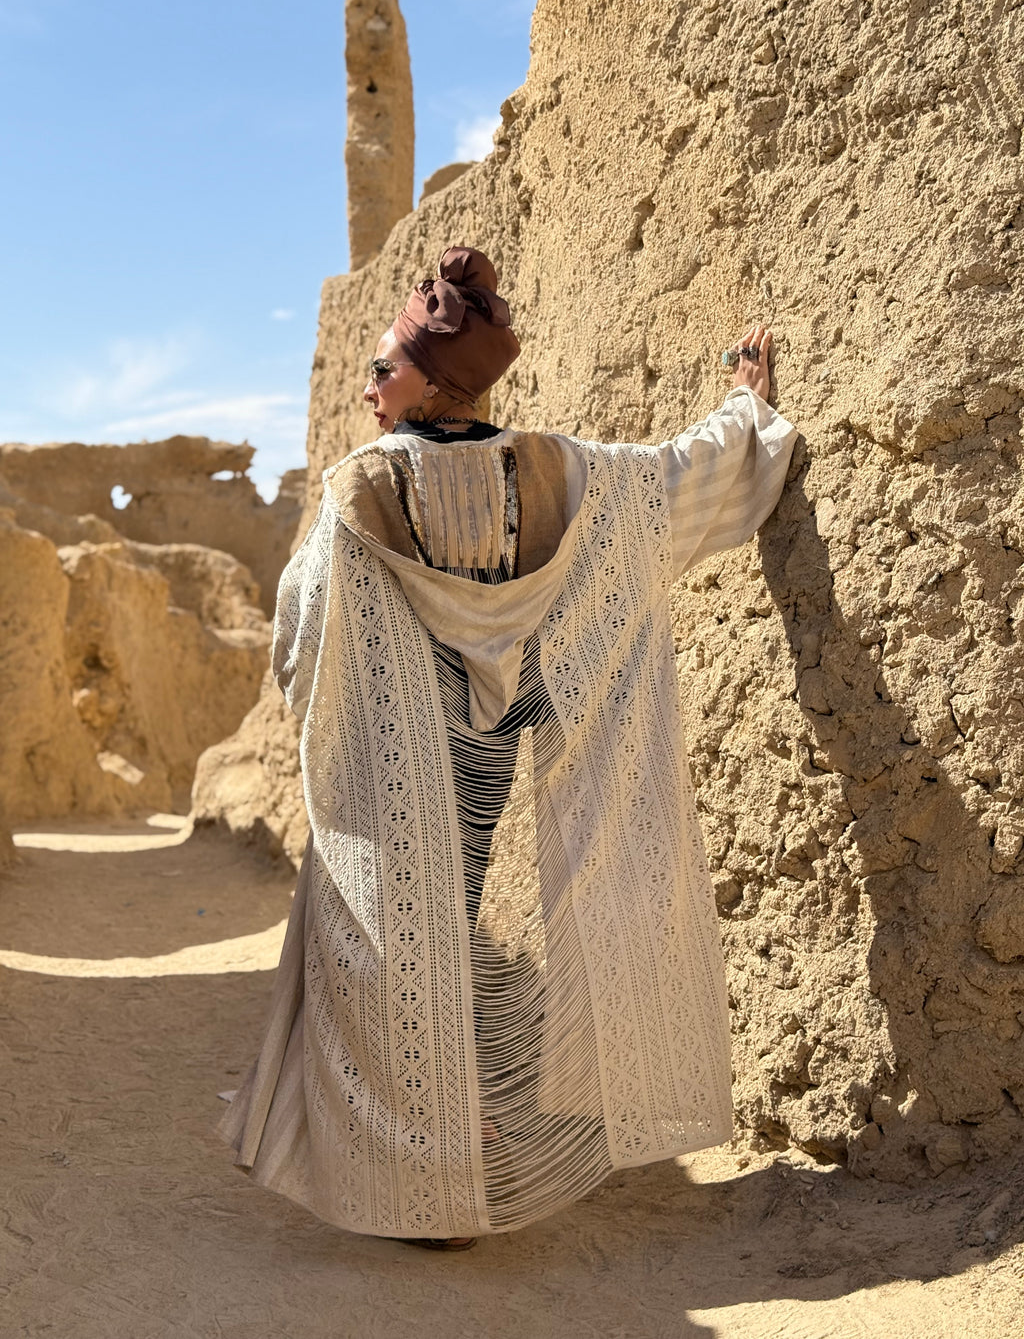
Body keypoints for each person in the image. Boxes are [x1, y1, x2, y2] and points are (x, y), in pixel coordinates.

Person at [219, 246, 797, 1251]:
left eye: (383, 369)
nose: (368, 387)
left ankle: (430, 1177)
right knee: (445, 942)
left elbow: (302, 634)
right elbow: (677, 479)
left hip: (391, 774)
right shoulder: (559, 474)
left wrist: (342, 711)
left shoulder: (361, 489)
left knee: (386, 963)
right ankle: (457, 1157)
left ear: (433, 382)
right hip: (484, 765)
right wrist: (745, 410)